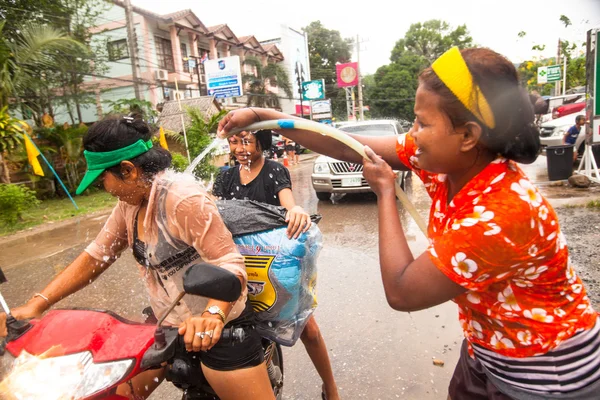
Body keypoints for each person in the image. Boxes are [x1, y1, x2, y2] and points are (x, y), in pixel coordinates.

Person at [218, 47, 600, 400]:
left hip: (544, 373)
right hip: (487, 347)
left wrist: (385, 193)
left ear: (468, 136)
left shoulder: (503, 212)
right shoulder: (452, 165)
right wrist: (262, 117)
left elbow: (402, 292)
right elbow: (341, 142)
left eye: (421, 122)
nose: (412, 134)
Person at [0, 116, 275, 400]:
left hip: (215, 327)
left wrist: (213, 314)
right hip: (166, 324)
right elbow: (97, 255)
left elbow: (229, 263)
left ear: (128, 170)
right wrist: (36, 305)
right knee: (113, 392)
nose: (104, 188)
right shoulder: (130, 203)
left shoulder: (182, 199)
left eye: (102, 179)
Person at [212, 129, 341, 400]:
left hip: (274, 265)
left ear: (262, 141)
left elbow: (288, 204)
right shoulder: (224, 176)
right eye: (233, 142)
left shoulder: (273, 171)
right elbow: (213, 214)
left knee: (309, 328)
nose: (239, 148)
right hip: (236, 264)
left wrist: (295, 212)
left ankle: (330, 386)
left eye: (246, 140)